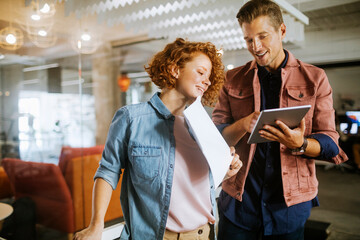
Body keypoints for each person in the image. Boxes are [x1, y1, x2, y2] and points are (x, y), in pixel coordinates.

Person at [73, 38, 242, 240]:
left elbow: (194, 184)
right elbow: (108, 171)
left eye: (209, 76)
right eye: (200, 72)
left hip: (203, 234)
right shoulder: (131, 118)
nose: (207, 81)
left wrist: (225, 173)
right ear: (174, 70)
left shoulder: (202, 127)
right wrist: (96, 225)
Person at [212, 0, 348, 239]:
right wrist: (243, 124)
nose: (255, 46)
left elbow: (330, 142)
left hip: (288, 208)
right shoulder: (232, 79)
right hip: (239, 204)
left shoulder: (315, 78)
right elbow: (216, 136)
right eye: (248, 39)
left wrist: (301, 144)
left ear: (282, 31)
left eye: (262, 36)